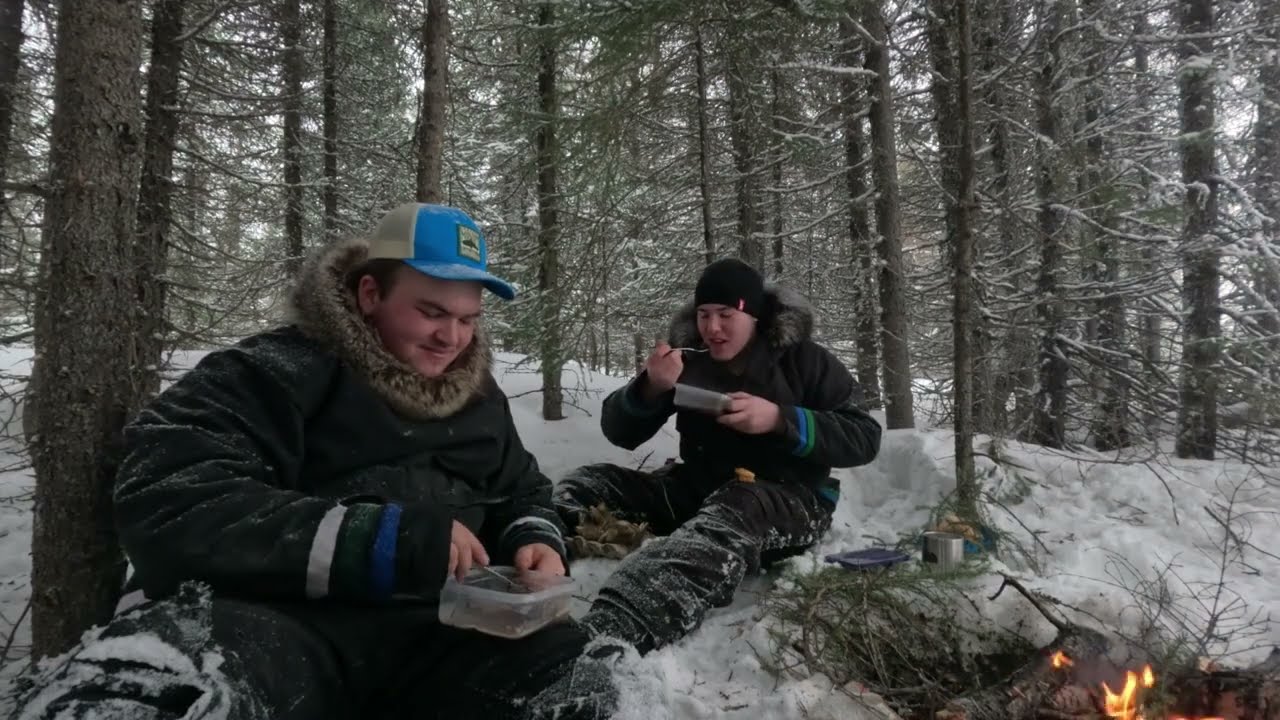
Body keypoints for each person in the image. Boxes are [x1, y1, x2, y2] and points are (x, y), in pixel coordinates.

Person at [11, 203, 620, 720]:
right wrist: (380, 540)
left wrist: (533, 537)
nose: (451, 338)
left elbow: (523, 490)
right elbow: (167, 495)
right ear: (369, 293)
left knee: (577, 689)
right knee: (143, 687)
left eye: (467, 319)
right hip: (276, 626)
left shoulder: (478, 397)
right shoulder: (269, 373)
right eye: (431, 312)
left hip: (442, 632)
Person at [558, 257, 883, 655]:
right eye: (704, 315)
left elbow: (865, 437)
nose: (712, 328)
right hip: (699, 490)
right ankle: (527, 555)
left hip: (789, 500)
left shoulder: (805, 360)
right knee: (591, 482)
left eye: (725, 315)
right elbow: (619, 432)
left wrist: (781, 420)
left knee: (738, 503)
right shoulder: (689, 359)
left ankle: (617, 626)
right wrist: (651, 388)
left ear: (754, 315)